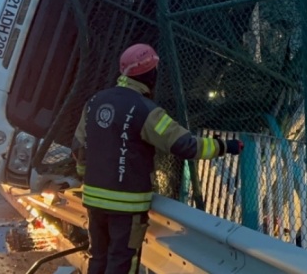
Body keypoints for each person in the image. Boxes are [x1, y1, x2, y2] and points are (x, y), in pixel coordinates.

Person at [72, 43, 243, 274]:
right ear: (151, 74)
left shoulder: (95, 102)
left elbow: (78, 146)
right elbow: (186, 145)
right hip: (127, 205)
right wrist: (225, 146)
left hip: (93, 199)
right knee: (122, 261)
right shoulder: (147, 111)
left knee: (98, 258)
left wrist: (86, 175)